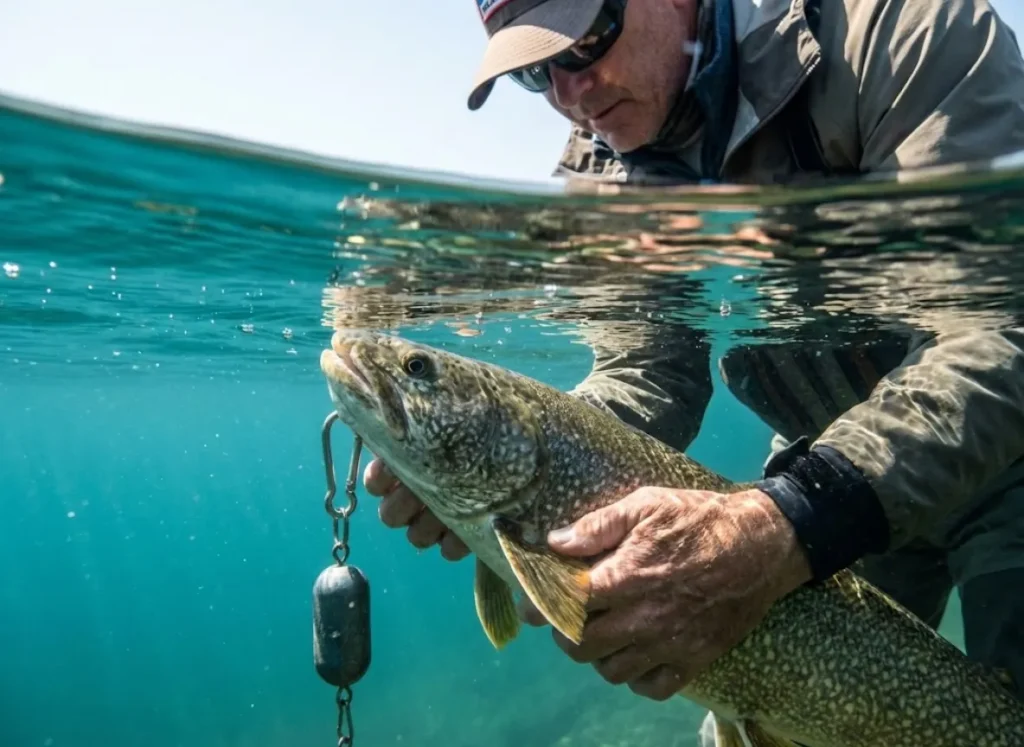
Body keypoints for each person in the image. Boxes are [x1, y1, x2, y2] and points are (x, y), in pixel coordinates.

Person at [365, 0, 1024, 739]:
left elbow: (1002, 331)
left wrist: (786, 519)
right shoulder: (602, 166)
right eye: (533, 74)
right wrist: (511, 468)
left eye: (582, 43)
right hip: (826, 467)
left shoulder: (906, 33)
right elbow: (646, 374)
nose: (567, 95)